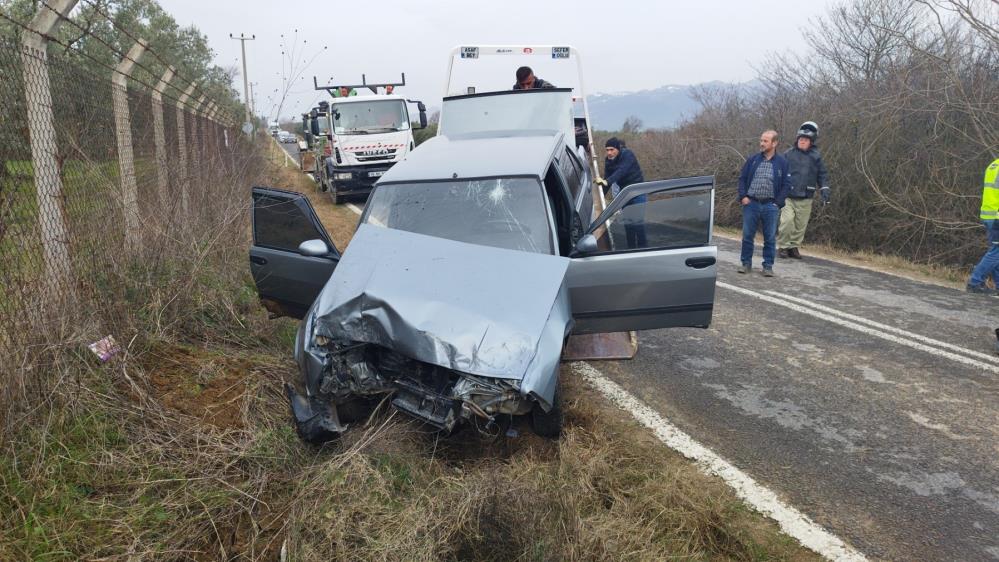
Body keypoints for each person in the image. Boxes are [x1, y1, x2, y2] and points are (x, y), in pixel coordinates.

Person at [737, 130, 790, 277]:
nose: (761, 143)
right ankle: (745, 264)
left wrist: (777, 203)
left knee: (770, 238)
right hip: (751, 203)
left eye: (765, 141)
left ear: (774, 143)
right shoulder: (753, 159)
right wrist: (743, 196)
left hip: (770, 205)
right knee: (747, 236)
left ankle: (768, 266)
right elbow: (742, 178)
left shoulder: (782, 163)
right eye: (761, 140)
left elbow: (787, 184)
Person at [778, 121, 830, 259]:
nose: (802, 141)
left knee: (800, 226)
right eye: (801, 139)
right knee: (787, 221)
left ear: (811, 142)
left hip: (806, 196)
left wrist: (825, 190)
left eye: (805, 140)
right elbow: (778, 172)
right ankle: (783, 247)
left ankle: (793, 247)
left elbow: (822, 175)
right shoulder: (788, 154)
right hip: (788, 196)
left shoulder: (816, 157)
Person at [596, 137, 647, 248]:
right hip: (625, 193)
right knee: (628, 225)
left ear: (618, 149)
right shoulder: (608, 160)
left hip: (638, 192)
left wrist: (607, 181)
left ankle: (644, 251)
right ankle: (631, 250)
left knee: (637, 224)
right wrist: (599, 197)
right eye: (607, 150)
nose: (609, 153)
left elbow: (622, 171)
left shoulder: (628, 155)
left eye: (612, 149)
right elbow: (607, 179)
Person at [966, 157, 999, 295]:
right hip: (996, 215)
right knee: (996, 252)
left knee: (996, 251)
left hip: (989, 213)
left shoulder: (994, 164)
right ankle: (975, 282)